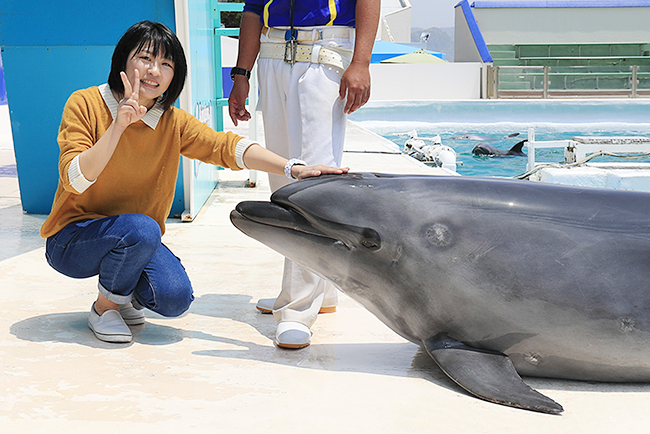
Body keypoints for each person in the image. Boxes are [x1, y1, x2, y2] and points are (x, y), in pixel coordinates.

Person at [40, 21, 347, 344]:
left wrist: (292, 167)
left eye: (166, 64)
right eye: (145, 58)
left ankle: (121, 294)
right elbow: (75, 179)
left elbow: (227, 147)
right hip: (73, 238)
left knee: (174, 298)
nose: (154, 70)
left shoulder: (171, 121)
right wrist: (118, 127)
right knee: (142, 229)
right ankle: (105, 308)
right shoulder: (85, 103)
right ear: (123, 61)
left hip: (134, 237)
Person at [228, 0, 380, 349]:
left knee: (313, 185)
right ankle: (319, 289)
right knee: (283, 182)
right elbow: (253, 9)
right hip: (273, 55)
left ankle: (297, 309)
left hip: (324, 54)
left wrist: (360, 62)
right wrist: (242, 74)